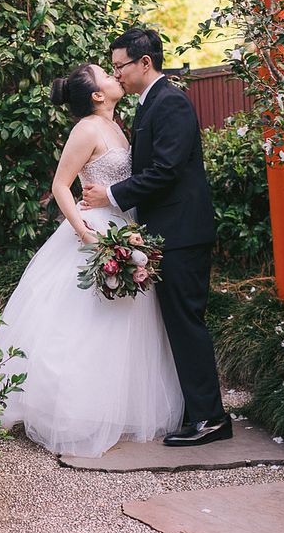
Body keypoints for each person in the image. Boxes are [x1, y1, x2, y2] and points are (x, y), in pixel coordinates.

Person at [0, 62, 184, 458]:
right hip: (94, 229)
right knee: (84, 321)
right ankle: (74, 411)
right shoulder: (87, 129)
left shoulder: (116, 125)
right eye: (106, 76)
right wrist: (83, 231)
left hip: (124, 227)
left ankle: (116, 407)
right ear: (97, 94)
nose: (115, 78)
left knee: (124, 322)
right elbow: (61, 185)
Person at [81, 26, 231, 447]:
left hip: (182, 234)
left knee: (186, 324)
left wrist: (110, 193)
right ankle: (194, 410)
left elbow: (165, 172)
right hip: (166, 233)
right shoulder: (148, 105)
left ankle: (212, 419)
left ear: (145, 63)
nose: (118, 75)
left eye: (120, 67)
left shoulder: (171, 103)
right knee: (177, 325)